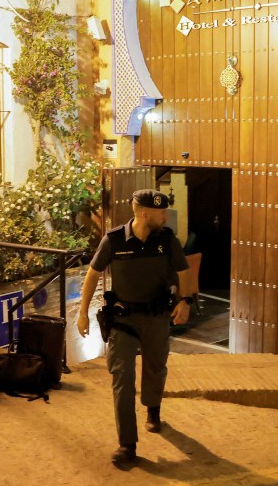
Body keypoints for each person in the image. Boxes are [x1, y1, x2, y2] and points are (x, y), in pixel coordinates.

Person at [76, 189, 192, 469]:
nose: (166, 217)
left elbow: (184, 271)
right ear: (143, 213)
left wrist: (185, 301)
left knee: (155, 368)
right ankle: (127, 444)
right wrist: (82, 313)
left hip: (155, 317)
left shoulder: (167, 240)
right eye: (161, 212)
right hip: (123, 320)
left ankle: (153, 409)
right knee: (122, 379)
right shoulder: (114, 240)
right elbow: (92, 274)